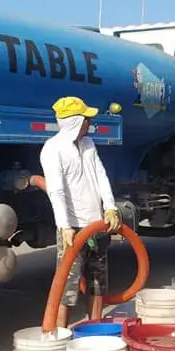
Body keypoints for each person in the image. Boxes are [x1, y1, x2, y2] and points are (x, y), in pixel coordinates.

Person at [39, 97, 122, 328]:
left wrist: (111, 208)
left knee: (97, 283)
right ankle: (60, 335)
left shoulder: (88, 145)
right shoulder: (52, 149)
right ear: (74, 122)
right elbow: (56, 191)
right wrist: (64, 226)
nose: (90, 123)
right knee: (67, 286)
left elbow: (101, 176)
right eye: (87, 119)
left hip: (97, 225)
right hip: (73, 230)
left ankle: (95, 330)